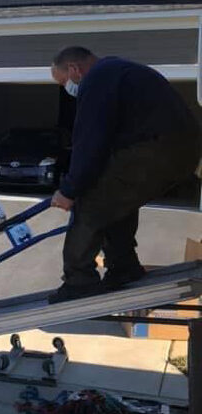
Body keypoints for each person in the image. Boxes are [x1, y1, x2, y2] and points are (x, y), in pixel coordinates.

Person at [49, 46, 201, 304]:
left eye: (64, 82)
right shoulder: (120, 71)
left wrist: (70, 190)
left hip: (155, 149)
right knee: (115, 199)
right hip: (181, 151)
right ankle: (123, 266)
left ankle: (79, 280)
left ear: (74, 69)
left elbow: (90, 140)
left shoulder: (97, 78)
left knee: (90, 203)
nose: (67, 89)